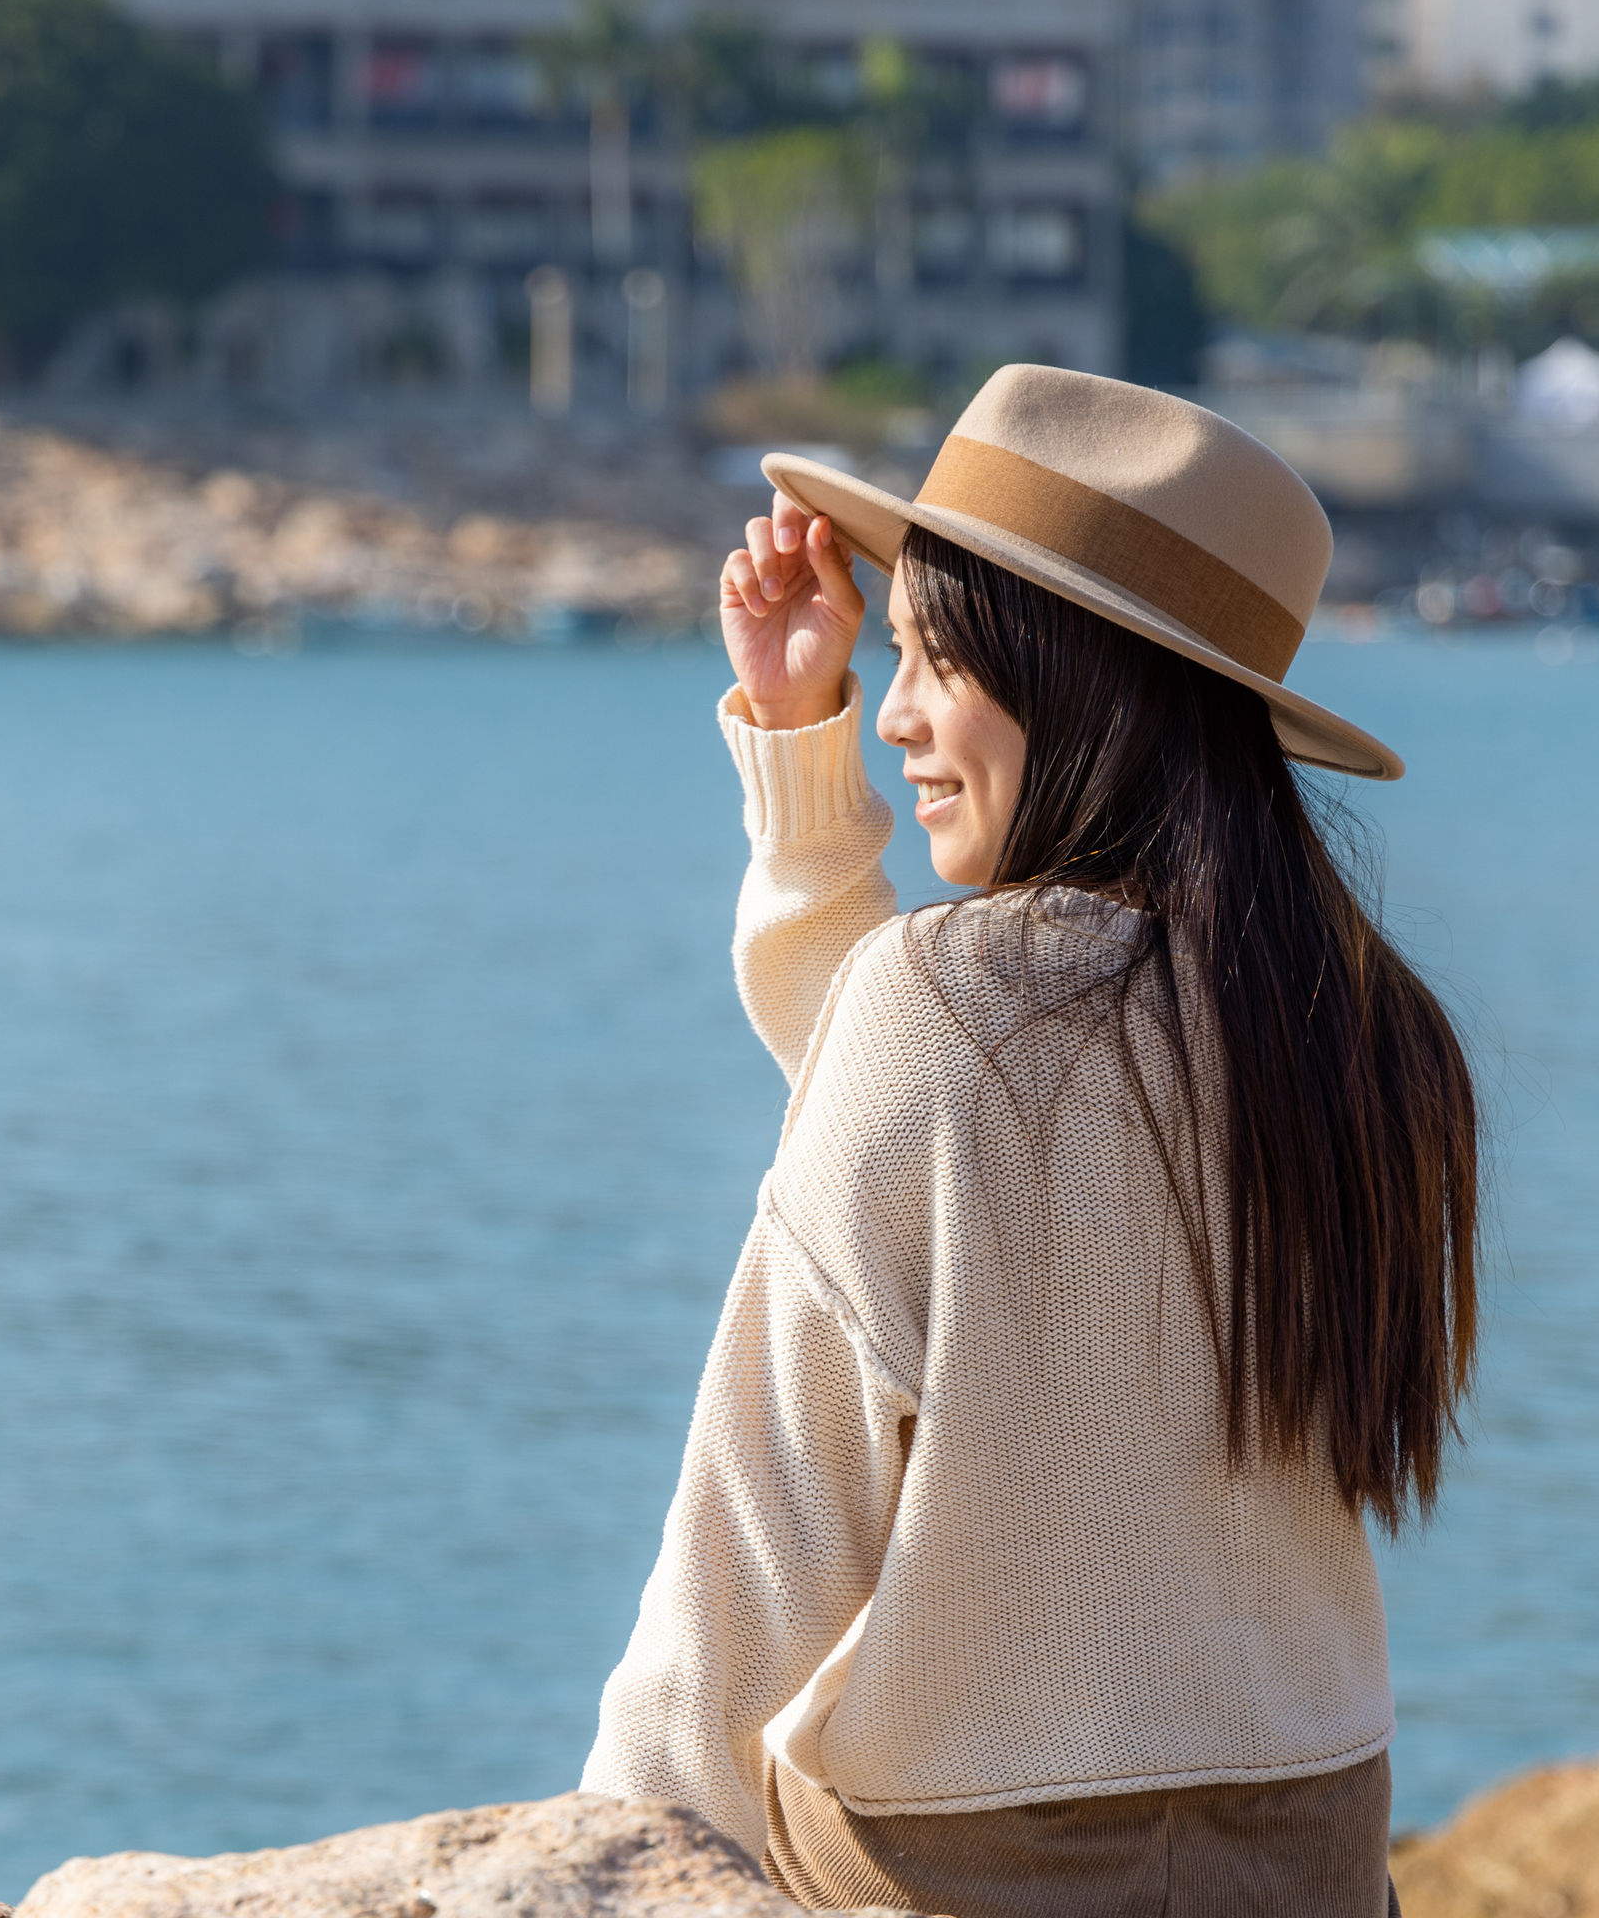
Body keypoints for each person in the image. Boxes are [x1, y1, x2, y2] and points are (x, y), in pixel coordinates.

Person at [580, 366, 1480, 1917]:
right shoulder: (1358, 1025)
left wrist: (596, 1865)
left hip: (971, 1874)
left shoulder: (955, 1011)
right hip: (1318, 1858)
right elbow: (952, 1152)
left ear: (1075, 680)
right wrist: (808, 746)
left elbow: (752, 1551)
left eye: (936, 662)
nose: (903, 716)